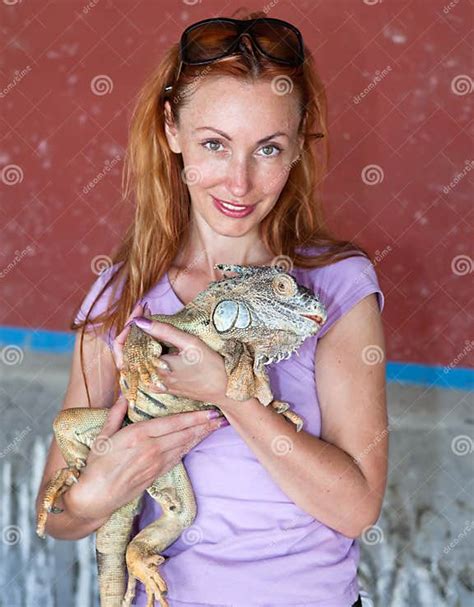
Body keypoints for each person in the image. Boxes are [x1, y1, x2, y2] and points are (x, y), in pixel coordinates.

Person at [36, 9, 387, 607]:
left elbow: (355, 511)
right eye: (215, 145)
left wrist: (230, 392)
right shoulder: (121, 297)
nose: (239, 181)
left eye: (268, 148)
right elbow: (58, 518)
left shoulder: (334, 288)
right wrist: (96, 492)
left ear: (299, 146)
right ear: (172, 131)